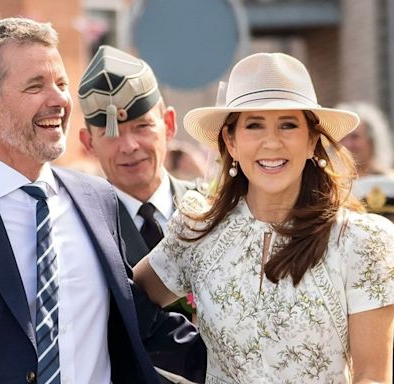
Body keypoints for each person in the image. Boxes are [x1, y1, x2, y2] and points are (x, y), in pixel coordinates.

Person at [0, 18, 204, 384]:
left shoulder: (98, 201)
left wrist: (260, 357)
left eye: (62, 84)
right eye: (36, 86)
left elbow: (139, 325)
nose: (60, 101)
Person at [134, 52, 394, 383]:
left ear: (312, 139)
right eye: (254, 125)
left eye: (288, 124)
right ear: (231, 140)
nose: (271, 142)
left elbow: (373, 375)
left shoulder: (361, 241)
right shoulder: (197, 231)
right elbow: (126, 304)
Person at [77, 45, 204, 383]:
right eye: (110, 133)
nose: (130, 145)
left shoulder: (217, 211)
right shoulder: (80, 231)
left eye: (142, 126)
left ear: (169, 124)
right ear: (87, 143)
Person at [337, 101, 394, 177]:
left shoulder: (388, 181)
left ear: (372, 142)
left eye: (355, 137)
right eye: (342, 138)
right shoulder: (333, 184)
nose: (347, 144)